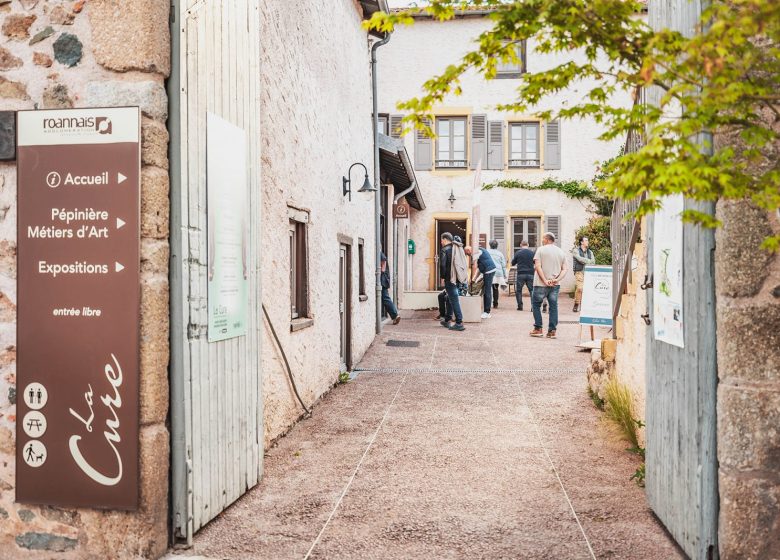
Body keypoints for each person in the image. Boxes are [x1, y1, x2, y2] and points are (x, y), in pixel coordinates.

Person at [530, 232, 568, 338]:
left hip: (540, 284)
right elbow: (565, 269)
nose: (542, 240)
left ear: (547, 239)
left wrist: (545, 280)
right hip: (555, 285)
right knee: (553, 306)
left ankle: (538, 329)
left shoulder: (540, 250)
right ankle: (552, 331)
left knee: (536, 305)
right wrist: (556, 279)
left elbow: (538, 266)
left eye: (543, 238)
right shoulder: (561, 252)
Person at [439, 232, 466, 331]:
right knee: (450, 298)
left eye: (442, 240)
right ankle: (447, 320)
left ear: (445, 239)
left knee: (454, 299)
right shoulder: (457, 248)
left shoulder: (444, 250)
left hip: (449, 278)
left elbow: (442, 265)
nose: (441, 242)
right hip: (457, 277)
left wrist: (442, 278)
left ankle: (459, 322)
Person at [572, 236, 595, 312]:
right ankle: (576, 303)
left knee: (586, 290)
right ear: (581, 242)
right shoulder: (576, 250)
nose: (587, 242)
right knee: (580, 288)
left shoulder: (590, 252)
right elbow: (579, 259)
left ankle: (583, 304)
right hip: (579, 272)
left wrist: (585, 261)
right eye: (586, 240)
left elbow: (593, 262)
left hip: (588, 272)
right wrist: (588, 261)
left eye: (587, 240)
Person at [511, 239, 535, 311]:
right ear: (528, 245)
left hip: (521, 274)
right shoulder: (532, 253)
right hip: (531, 273)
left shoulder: (518, 253)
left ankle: (520, 306)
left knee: (519, 290)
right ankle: (533, 307)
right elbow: (535, 262)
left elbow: (513, 263)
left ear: (521, 245)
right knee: (532, 290)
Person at [474, 244, 497, 319]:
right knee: (485, 291)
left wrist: (473, 259)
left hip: (489, 271)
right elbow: (479, 268)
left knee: (487, 291)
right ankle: (486, 311)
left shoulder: (479, 250)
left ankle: (487, 312)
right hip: (489, 271)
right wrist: (474, 279)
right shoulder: (480, 251)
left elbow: (475, 262)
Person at [380, 251, 401, 325]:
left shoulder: (380, 253)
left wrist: (381, 271)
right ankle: (395, 315)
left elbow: (383, 262)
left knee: (385, 298)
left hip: (382, 281)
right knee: (385, 298)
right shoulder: (380, 253)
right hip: (383, 280)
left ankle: (395, 315)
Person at [487, 240, 507, 309]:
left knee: (488, 289)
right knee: (495, 289)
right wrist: (504, 275)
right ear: (497, 246)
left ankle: (488, 304)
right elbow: (503, 265)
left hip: (489, 272)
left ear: (489, 245)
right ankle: (495, 303)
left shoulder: (487, 252)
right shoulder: (500, 254)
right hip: (498, 273)